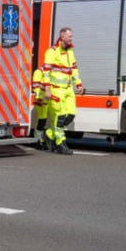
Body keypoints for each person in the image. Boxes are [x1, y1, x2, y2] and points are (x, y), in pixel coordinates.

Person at [43, 27, 83, 155]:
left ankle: (49, 134)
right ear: (62, 37)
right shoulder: (52, 51)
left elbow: (74, 68)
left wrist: (79, 84)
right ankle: (60, 143)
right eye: (69, 36)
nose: (71, 38)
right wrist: (47, 89)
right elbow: (46, 72)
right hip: (56, 90)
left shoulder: (70, 50)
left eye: (72, 36)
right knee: (60, 117)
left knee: (70, 115)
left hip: (68, 89)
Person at [31, 66, 49, 150]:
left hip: (47, 100)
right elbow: (36, 85)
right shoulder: (38, 72)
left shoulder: (48, 72)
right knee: (42, 120)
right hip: (40, 100)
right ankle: (38, 140)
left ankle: (41, 139)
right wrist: (38, 97)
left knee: (44, 121)